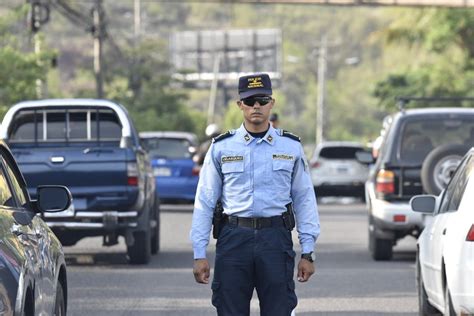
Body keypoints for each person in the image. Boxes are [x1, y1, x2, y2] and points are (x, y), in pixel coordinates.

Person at [190, 73, 320, 316]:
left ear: (272, 102)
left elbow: (304, 200)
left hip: (275, 239)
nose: (256, 106)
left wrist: (308, 251)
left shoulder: (290, 147)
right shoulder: (221, 147)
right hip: (233, 240)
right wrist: (199, 253)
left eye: (262, 100)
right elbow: (205, 201)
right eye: (249, 101)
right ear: (240, 105)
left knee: (279, 310)